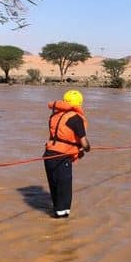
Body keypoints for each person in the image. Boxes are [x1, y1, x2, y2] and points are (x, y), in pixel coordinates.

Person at [43, 90, 90, 218]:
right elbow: (84, 143)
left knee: (55, 188)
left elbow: (59, 137)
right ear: (79, 103)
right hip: (61, 158)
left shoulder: (55, 116)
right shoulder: (75, 118)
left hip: (48, 156)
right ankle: (62, 227)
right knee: (64, 191)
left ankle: (56, 217)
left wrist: (77, 151)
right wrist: (87, 149)